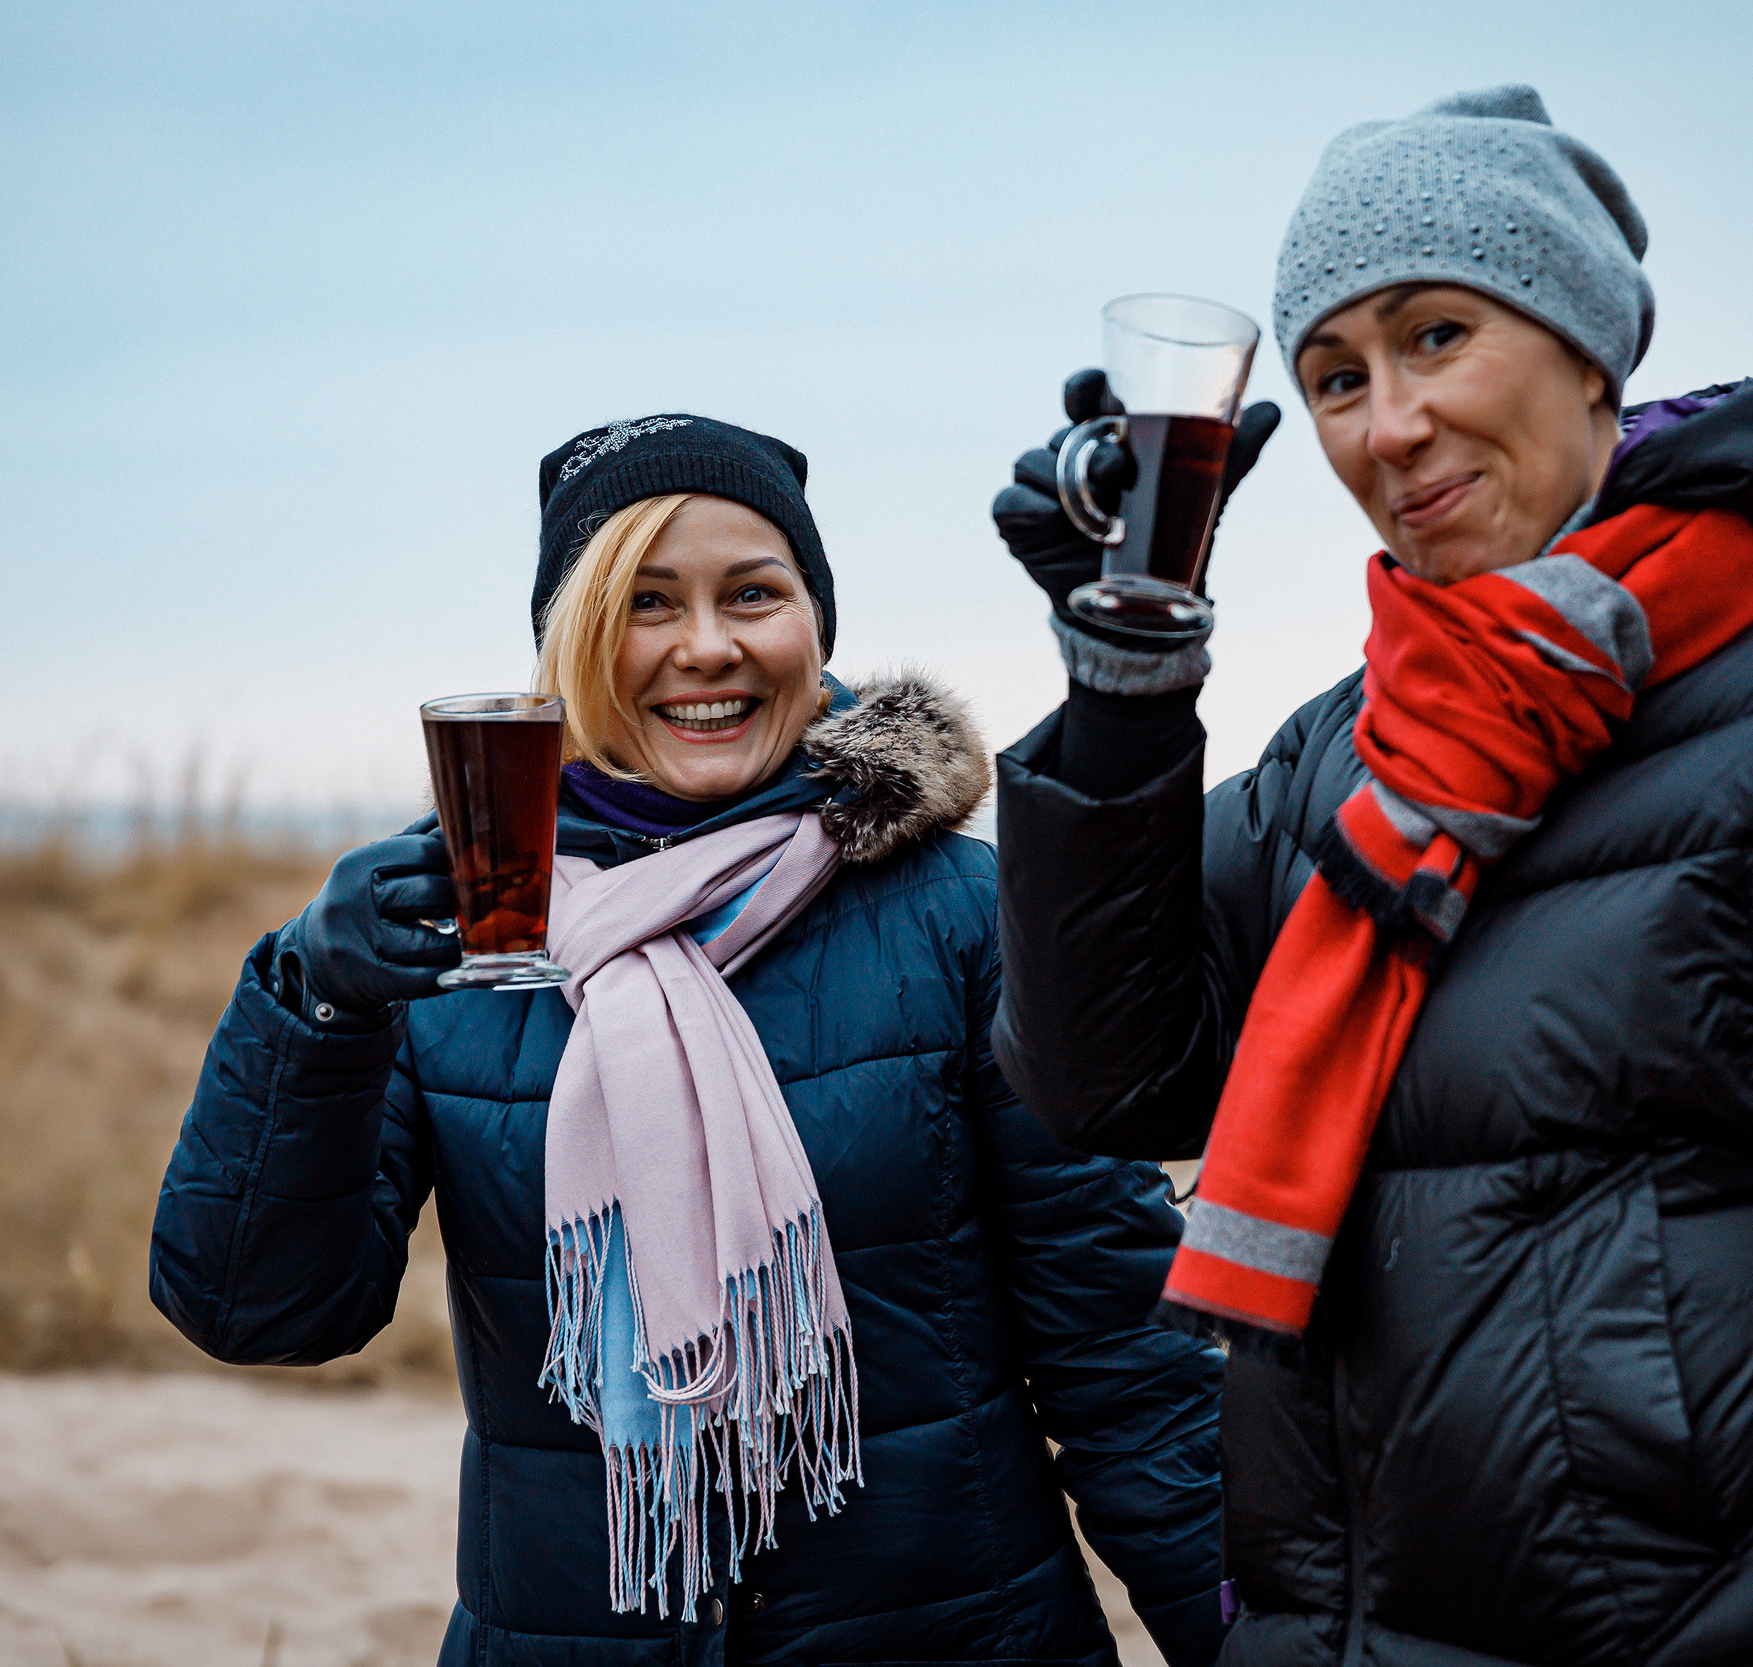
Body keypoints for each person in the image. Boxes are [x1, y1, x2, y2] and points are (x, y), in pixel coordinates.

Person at [988, 87, 1753, 1667]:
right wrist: (1125, 689)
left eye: (1435, 336)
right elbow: (1110, 1076)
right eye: (1334, 375)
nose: (1386, 426)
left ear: (1589, 346)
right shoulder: (1341, 758)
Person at [152, 416, 1228, 1667]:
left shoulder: (963, 914)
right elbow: (260, 1307)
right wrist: (315, 1001)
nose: (706, 645)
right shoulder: (456, 930)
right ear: (570, 642)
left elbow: (1126, 1358)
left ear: (815, 625)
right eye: (645, 602)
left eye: (753, 594)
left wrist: (1239, 1633)